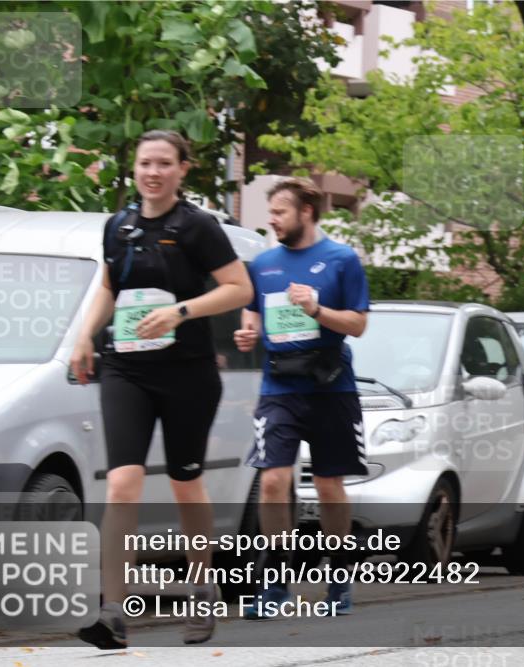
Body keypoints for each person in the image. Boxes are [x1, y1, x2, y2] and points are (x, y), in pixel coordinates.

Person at [72, 130, 253, 648]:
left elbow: (239, 288)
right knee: (123, 484)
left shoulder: (198, 227)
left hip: (187, 372)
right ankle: (112, 612)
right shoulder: (119, 226)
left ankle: (202, 588)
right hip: (126, 369)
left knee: (184, 483)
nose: (153, 173)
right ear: (134, 169)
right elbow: (109, 286)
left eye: (164, 164)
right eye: (145, 164)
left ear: (182, 169)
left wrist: (181, 311)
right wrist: (85, 335)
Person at [233, 177, 369, 618]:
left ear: (306, 212)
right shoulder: (264, 263)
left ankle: (339, 579)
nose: (272, 220)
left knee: (329, 485)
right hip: (280, 386)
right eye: (270, 212)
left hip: (331, 385)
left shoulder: (342, 259)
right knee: (273, 480)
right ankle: (275, 584)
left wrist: (316, 310)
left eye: (280, 212)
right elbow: (252, 312)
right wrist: (248, 332)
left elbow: (358, 324)